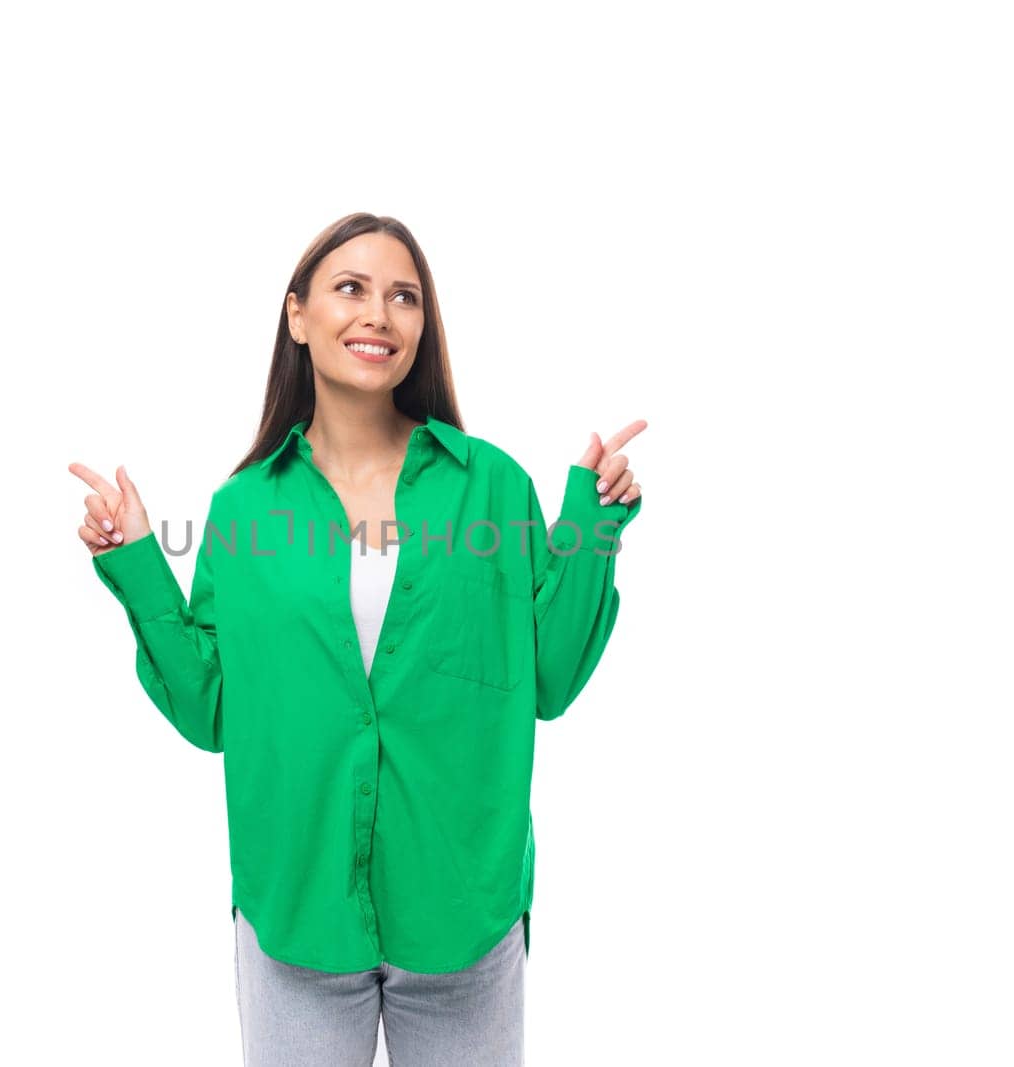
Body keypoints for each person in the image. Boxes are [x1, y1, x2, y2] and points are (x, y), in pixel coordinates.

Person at [68, 212, 644, 1066]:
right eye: (351, 288)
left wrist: (593, 530)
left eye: (404, 296)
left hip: (463, 913)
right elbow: (211, 708)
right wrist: (140, 563)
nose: (379, 313)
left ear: (423, 326)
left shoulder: (490, 486)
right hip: (296, 910)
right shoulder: (245, 511)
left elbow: (549, 679)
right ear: (297, 316)